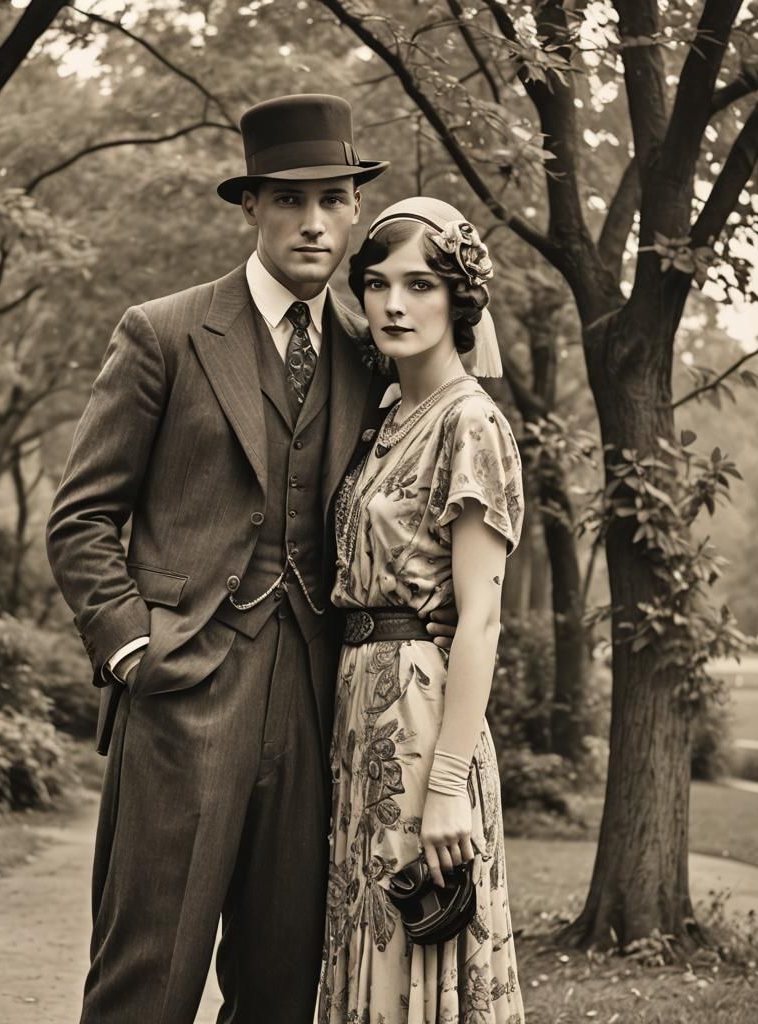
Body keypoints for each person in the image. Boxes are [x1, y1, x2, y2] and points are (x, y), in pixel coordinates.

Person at [45, 97, 456, 1024]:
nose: (312, 222)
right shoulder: (165, 332)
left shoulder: (369, 350)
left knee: (281, 985)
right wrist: (128, 650)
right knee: (147, 979)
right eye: (289, 200)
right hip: (183, 688)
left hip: (321, 701)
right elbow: (80, 517)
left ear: (356, 213)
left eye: (333, 200)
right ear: (252, 207)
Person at [320, 197, 526, 1023]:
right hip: (359, 708)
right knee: (364, 938)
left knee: (418, 936)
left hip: (422, 718)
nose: (394, 304)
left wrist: (447, 786)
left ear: (459, 299)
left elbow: (479, 618)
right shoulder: (386, 416)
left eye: (419, 284)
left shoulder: (471, 422)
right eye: (375, 285)